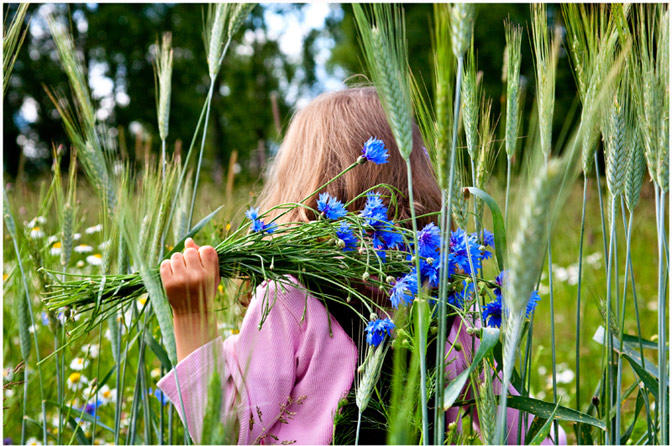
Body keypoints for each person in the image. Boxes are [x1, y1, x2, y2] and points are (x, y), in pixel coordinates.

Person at [158, 87, 566, 445]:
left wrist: (192, 318)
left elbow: (228, 430)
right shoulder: (451, 309)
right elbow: (525, 431)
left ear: (301, 188)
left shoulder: (290, 299)